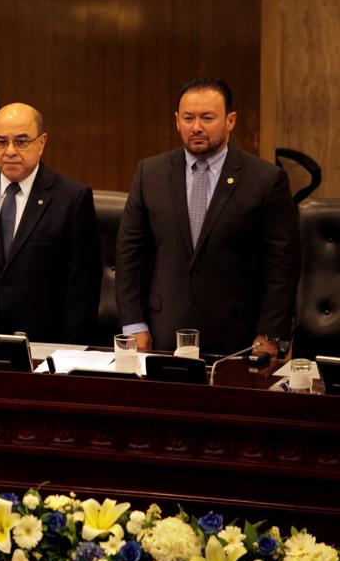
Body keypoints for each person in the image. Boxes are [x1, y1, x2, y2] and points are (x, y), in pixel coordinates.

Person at [115, 78, 301, 357]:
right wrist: (133, 325)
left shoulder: (265, 180)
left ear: (230, 120)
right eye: (188, 118)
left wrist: (271, 334)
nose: (197, 127)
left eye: (208, 118)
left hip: (238, 337)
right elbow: (129, 255)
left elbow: (281, 266)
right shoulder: (149, 174)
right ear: (177, 121)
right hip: (161, 331)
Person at [0, 103, 101, 342]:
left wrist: (70, 353)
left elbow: (82, 289)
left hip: (42, 341)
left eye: (21, 142)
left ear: (41, 143)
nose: (10, 151)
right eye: (1, 142)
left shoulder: (72, 198)